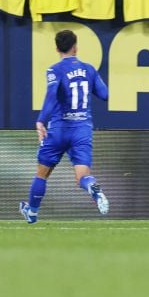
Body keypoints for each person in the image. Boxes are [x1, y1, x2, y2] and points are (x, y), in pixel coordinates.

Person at [19, 30, 109, 224]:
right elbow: (105, 94)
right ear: (75, 47)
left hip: (59, 129)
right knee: (82, 176)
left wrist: (41, 120)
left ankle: (32, 212)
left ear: (57, 48)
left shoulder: (54, 70)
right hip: (82, 130)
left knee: (42, 174)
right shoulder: (89, 69)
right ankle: (92, 187)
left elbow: (52, 95)